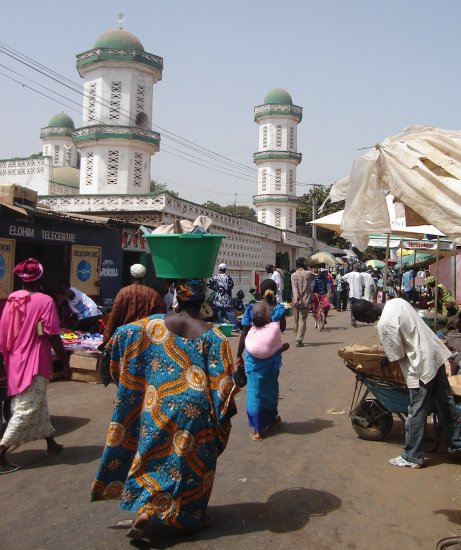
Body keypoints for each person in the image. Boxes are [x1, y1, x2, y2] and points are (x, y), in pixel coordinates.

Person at [92, 278, 238, 539]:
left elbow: (118, 339)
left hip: (157, 404)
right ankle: (190, 519)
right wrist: (232, 392)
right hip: (197, 409)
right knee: (191, 464)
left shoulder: (150, 326)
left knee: (152, 456)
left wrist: (112, 367)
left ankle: (146, 510)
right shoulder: (214, 334)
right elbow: (223, 382)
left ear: (177, 299)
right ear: (202, 301)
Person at [351, 298, 461, 468]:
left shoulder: (385, 324)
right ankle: (457, 443)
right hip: (434, 355)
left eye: (366, 320)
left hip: (420, 366)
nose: (368, 322)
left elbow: (396, 354)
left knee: (416, 410)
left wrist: (384, 360)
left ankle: (412, 456)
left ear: (369, 312)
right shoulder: (397, 302)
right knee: (446, 403)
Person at [0, 258, 70, 474]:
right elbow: (53, 335)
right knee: (27, 408)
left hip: (14, 360)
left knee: (37, 402)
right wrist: (65, 362)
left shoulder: (12, 299)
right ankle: (1, 452)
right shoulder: (45, 301)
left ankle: (51, 444)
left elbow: (3, 333)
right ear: (40, 277)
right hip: (34, 362)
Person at [237, 279, 286, 441]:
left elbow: (244, 332)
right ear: (274, 290)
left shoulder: (252, 308)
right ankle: (271, 420)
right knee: (270, 389)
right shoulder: (277, 309)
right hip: (272, 357)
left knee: (254, 391)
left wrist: (238, 354)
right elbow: (283, 327)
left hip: (253, 358)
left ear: (260, 291)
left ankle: (257, 430)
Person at [102, 263, 166, 344]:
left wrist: (106, 339)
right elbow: (162, 316)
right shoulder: (153, 294)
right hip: (145, 339)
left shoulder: (123, 293)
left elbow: (114, 317)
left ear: (130, 276)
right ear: (144, 277)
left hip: (125, 339)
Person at [291, 257, 315, 347]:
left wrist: (296, 297)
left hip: (295, 301)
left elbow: (294, 288)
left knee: (296, 320)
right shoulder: (308, 274)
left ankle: (297, 337)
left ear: (296, 265)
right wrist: (308, 268)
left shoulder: (293, 275)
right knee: (302, 320)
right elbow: (315, 275)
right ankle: (299, 339)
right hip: (305, 300)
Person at [207, 263, 238, 329]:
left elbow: (208, 284)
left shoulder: (216, 277)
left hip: (218, 298)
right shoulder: (228, 277)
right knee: (229, 312)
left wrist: (216, 289)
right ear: (225, 269)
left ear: (219, 269)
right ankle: (235, 327)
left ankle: (220, 327)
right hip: (226, 299)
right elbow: (231, 285)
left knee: (218, 313)